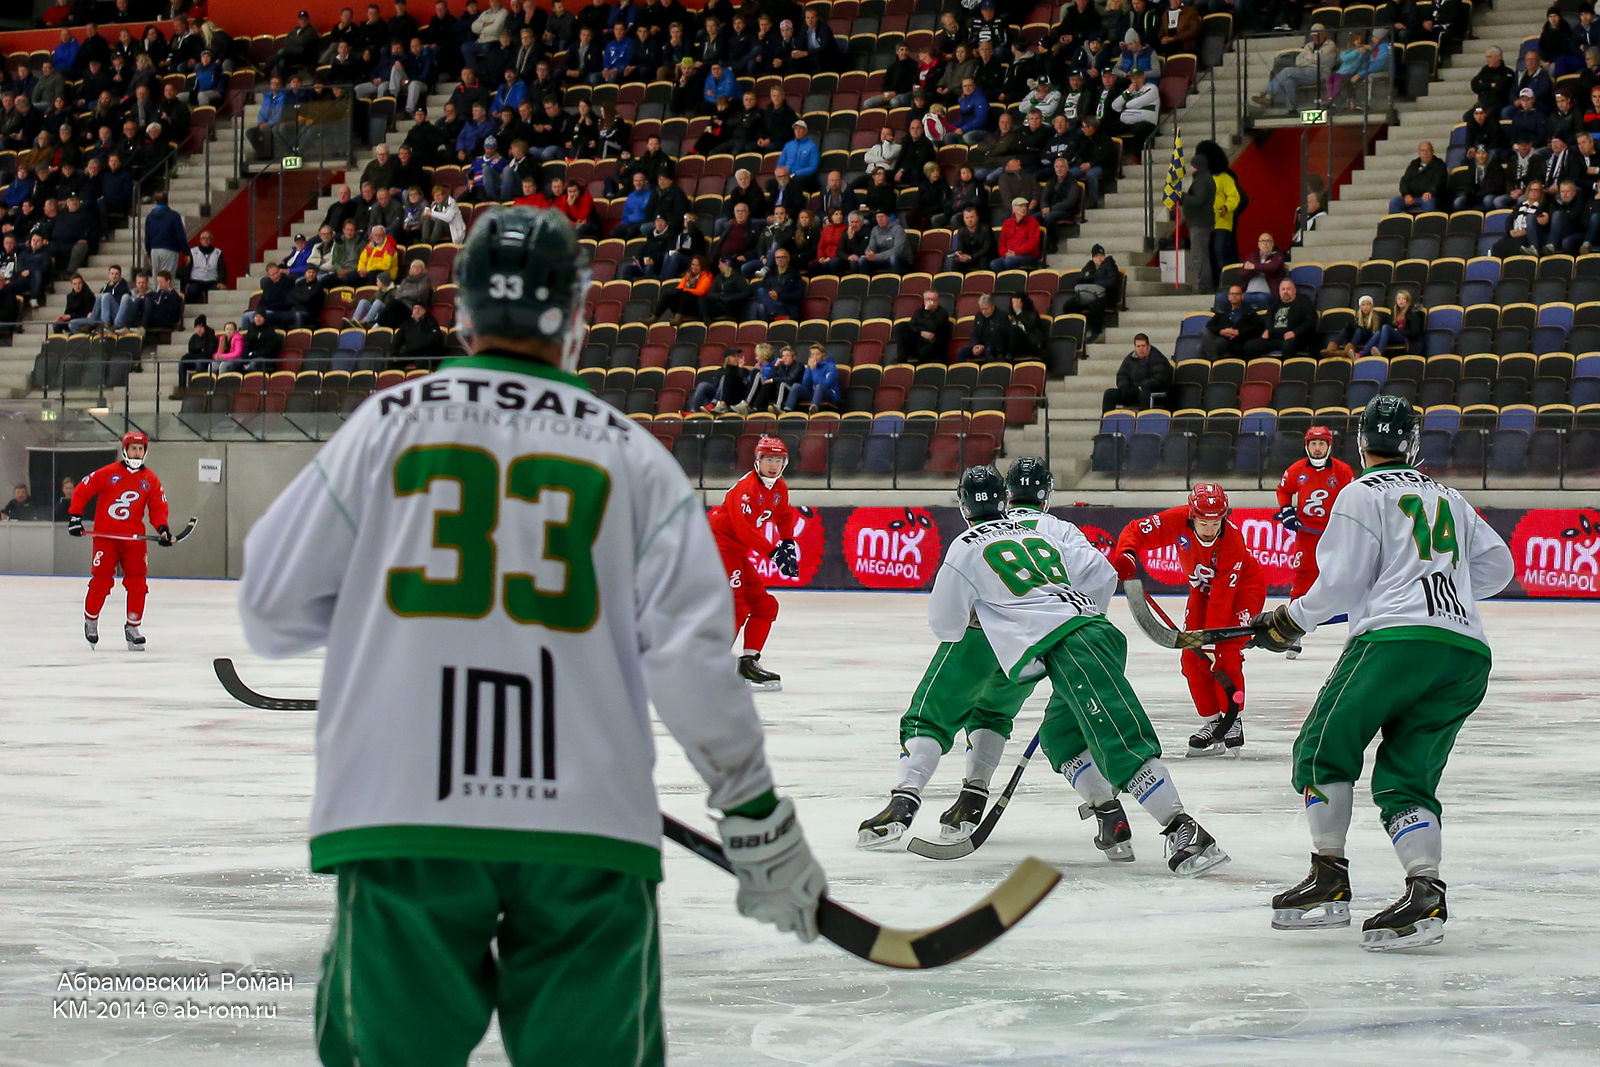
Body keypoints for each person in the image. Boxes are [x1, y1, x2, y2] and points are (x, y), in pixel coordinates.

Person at [237, 206, 825, 1064]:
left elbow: (270, 606)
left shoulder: (388, 426)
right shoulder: (634, 458)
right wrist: (757, 816)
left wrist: (392, 629)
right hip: (587, 821)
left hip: (404, 809)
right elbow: (694, 665)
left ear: (465, 314)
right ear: (576, 317)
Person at [868, 465, 1231, 875]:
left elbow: (945, 626)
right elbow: (1102, 574)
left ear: (965, 507)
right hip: (1078, 637)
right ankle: (1109, 816)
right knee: (1061, 738)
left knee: (1117, 738)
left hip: (1057, 644)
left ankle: (1185, 829)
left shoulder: (965, 545)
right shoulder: (1043, 532)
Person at [1250, 394, 1513, 951]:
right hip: (1466, 652)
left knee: (1323, 749)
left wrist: (1290, 620)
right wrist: (1445, 589)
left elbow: (1341, 585)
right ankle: (1425, 892)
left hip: (1395, 642)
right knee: (1407, 777)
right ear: (1413, 445)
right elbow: (1500, 566)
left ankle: (1329, 879)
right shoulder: (1451, 496)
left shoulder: (1360, 491)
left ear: (1362, 443)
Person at [856, 457, 1123, 852]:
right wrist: (1074, 628)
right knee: (993, 714)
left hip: (982, 636)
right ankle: (973, 796)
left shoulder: (972, 539)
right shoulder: (1058, 530)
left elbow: (946, 623)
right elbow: (1102, 575)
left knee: (929, 717)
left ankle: (904, 800)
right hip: (1035, 645)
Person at [1112, 483, 1266, 757]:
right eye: (1204, 523)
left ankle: (1233, 719)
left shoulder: (1232, 541)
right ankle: (1213, 722)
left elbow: (1222, 600)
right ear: (1192, 515)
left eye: (1216, 522)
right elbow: (1135, 531)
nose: (1210, 529)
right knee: (1191, 658)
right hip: (1203, 591)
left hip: (1242, 591)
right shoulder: (1177, 519)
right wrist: (1127, 554)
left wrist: (1211, 642)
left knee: (1225, 651)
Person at [707, 435, 800, 689]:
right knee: (736, 607)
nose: (773, 465)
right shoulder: (746, 489)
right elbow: (743, 530)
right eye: (769, 459)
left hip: (736, 551)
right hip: (717, 548)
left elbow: (784, 515)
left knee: (765, 605)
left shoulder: (778, 488)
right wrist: (774, 553)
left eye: (778, 460)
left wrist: (788, 543)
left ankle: (748, 662)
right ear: (757, 461)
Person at [67, 431, 172, 651]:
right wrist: (75, 517)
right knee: (101, 581)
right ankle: (91, 620)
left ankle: (133, 627)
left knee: (138, 584)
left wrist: (162, 529)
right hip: (106, 538)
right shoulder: (108, 473)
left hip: (134, 540)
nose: (137, 452)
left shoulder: (150, 479)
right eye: (133, 448)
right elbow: (83, 490)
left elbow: (158, 507)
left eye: (141, 449)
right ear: (125, 450)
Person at [1275, 425, 1355, 603]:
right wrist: (1287, 510)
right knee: (1304, 573)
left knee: (1337, 574)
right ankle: (1295, 611)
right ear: (1306, 446)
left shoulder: (1343, 471)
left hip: (1334, 533)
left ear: (1329, 446)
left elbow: (1353, 497)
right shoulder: (1296, 469)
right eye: (1313, 443)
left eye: (1321, 443)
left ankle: (1336, 611)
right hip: (1307, 534)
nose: (1317, 448)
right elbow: (1283, 490)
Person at [1244, 278, 1318, 359]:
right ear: (1279, 292)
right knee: (1250, 346)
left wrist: (1295, 332)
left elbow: (1310, 321)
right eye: (1283, 289)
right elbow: (1269, 318)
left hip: (1296, 338)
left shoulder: (1303, 301)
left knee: (1288, 345)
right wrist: (1267, 329)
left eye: (1288, 289)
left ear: (1294, 291)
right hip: (1275, 338)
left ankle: (1286, 367)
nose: (1285, 291)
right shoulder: (1275, 304)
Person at [1062, 243, 1118, 340]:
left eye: (1102, 255)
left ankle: (1096, 331)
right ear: (1092, 257)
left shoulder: (1110, 265)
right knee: (1068, 305)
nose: (1100, 258)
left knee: (1094, 305)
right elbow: (1080, 279)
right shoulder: (1088, 267)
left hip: (1105, 296)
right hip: (1087, 295)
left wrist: (1095, 282)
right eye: (1097, 256)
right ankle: (1077, 328)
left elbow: (1112, 282)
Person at [1102, 333, 1172, 411]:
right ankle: (1107, 418)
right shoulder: (1129, 358)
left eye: (1143, 346)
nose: (1141, 349)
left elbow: (1160, 378)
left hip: (1152, 392)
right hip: (1132, 391)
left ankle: (1144, 418)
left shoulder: (1158, 358)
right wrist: (1125, 387)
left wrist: (1142, 386)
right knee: (1109, 394)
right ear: (1135, 347)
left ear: (1148, 346)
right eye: (1138, 346)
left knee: (1144, 393)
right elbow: (1121, 375)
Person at [1201, 285, 1263, 361]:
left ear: (1242, 296)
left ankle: (1214, 362)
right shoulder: (1223, 310)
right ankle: (1213, 362)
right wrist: (1221, 331)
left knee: (1203, 348)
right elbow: (1210, 325)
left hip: (1241, 340)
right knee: (1204, 334)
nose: (1234, 296)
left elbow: (1257, 327)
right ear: (1228, 297)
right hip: (1224, 339)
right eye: (1232, 294)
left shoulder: (1249, 311)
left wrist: (1238, 332)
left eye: (1237, 294)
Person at [892, 290, 952, 364]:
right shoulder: (919, 311)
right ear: (924, 301)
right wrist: (920, 333)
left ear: (937, 301)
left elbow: (931, 327)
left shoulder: (942, 313)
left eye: (933, 300)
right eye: (928, 299)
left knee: (925, 349)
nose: (931, 302)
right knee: (901, 326)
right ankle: (901, 360)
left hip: (934, 344)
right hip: (919, 340)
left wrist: (927, 311)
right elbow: (912, 325)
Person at [1388, 141, 1447, 213]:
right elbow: (1404, 181)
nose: (1425, 153)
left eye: (1428, 150)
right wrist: (1406, 194)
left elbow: (1439, 181)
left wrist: (1430, 192)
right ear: (1419, 152)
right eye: (1422, 151)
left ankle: (1428, 220)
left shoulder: (1439, 164)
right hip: (1412, 198)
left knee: (1429, 202)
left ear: (1432, 152)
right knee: (1395, 201)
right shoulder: (1414, 164)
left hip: (1429, 197)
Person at [785, 343, 839, 412]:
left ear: (823, 355)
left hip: (830, 394)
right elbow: (805, 384)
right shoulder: (811, 366)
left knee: (819, 387)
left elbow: (825, 385)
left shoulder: (831, 367)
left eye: (817, 354)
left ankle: (813, 408)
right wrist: (809, 368)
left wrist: (814, 370)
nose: (814, 357)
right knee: (796, 386)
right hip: (814, 393)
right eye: (812, 354)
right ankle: (787, 409)